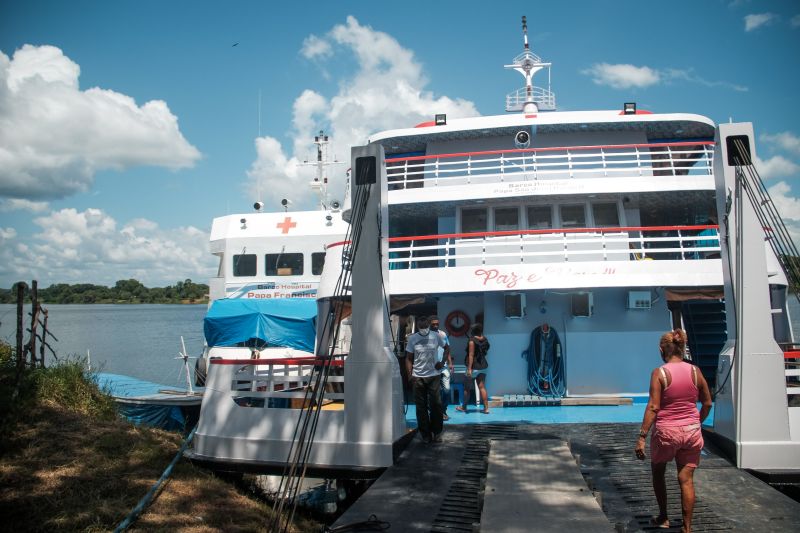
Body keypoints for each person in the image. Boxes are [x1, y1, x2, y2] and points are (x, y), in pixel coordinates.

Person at [635, 329, 712, 532]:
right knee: (685, 479)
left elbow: (653, 406)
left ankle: (663, 517)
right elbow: (707, 403)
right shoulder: (695, 371)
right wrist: (696, 421)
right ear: (681, 348)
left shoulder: (659, 373)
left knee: (658, 472)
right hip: (692, 432)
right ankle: (687, 528)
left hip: (666, 433)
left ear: (662, 350)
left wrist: (642, 436)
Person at [405, 316, 450, 443]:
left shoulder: (437, 336)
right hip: (418, 377)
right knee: (421, 407)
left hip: (434, 375)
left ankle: (436, 433)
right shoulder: (413, 339)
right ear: (418, 327)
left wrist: (442, 362)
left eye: (426, 327)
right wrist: (409, 375)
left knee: (436, 404)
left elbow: (447, 348)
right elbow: (408, 358)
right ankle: (425, 434)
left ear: (429, 326)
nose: (424, 329)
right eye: (421, 327)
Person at [456, 323, 490, 414]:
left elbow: (471, 355)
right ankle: (486, 408)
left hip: (473, 367)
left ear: (473, 331)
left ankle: (464, 407)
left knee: (467, 388)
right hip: (483, 366)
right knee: (482, 387)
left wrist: (469, 369)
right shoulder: (485, 339)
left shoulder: (472, 341)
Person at [429, 316, 454, 421]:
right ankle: (436, 412)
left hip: (443, 367)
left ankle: (443, 409)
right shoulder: (426, 335)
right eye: (433, 324)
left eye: (437, 324)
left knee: (447, 390)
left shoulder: (442, 334)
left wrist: (450, 363)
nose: (435, 326)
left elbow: (447, 349)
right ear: (429, 324)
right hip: (431, 368)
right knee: (433, 392)